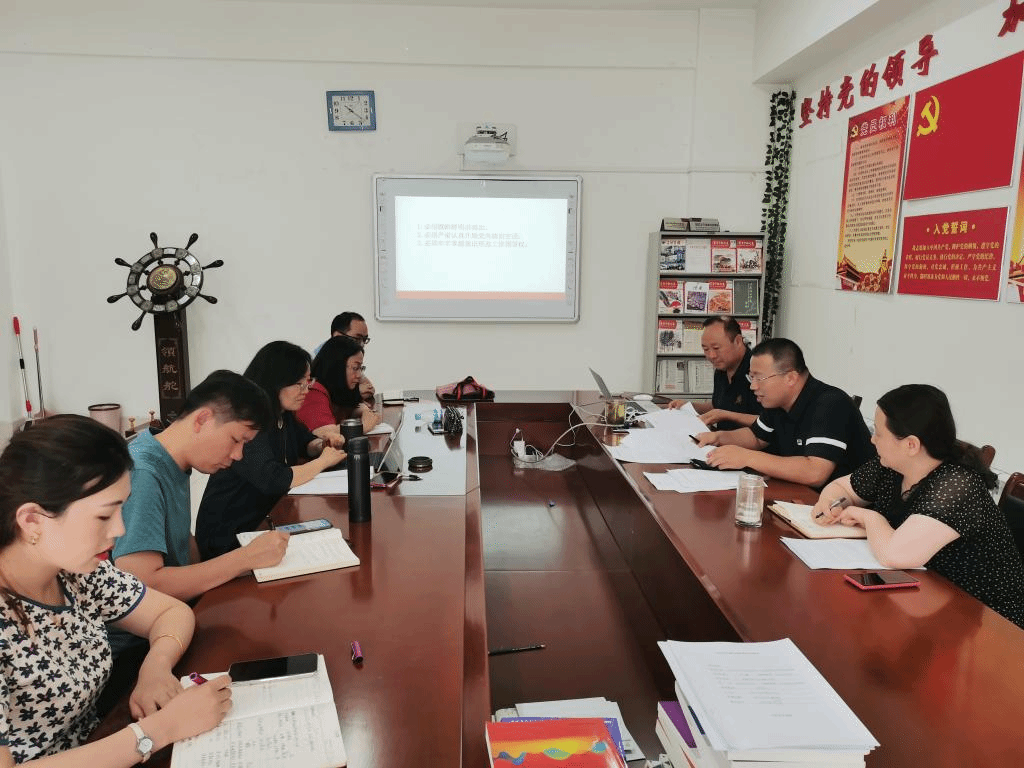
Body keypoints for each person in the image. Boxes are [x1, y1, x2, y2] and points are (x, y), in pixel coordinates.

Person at [0, 415, 232, 765]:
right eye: (103, 516)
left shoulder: (75, 571)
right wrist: (159, 730)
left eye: (121, 509)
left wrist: (156, 665)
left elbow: (171, 612)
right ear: (32, 520)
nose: (119, 530)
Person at [813, 384, 1024, 628]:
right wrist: (830, 502)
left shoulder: (957, 485)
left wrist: (869, 517)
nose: (872, 439)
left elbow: (894, 555)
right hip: (925, 597)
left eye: (879, 434)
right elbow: (842, 488)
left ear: (911, 445)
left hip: (988, 621)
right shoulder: (892, 465)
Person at [112, 370, 290, 610]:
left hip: (180, 610)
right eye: (236, 440)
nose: (238, 455)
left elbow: (183, 543)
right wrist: (245, 558)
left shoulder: (171, 459)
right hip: (153, 628)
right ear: (202, 419)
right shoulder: (143, 473)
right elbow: (142, 587)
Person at [195, 342, 346, 559]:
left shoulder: (283, 414)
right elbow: (273, 479)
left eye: (308, 381)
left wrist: (323, 444)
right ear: (276, 381)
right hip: (230, 535)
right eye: (299, 384)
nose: (306, 390)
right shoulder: (249, 422)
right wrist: (323, 462)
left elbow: (305, 441)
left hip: (266, 520)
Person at [695, 337, 874, 488]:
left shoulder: (831, 404)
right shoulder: (777, 402)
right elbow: (756, 437)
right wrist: (718, 437)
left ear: (790, 378)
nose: (753, 386)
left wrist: (746, 457)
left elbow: (815, 472)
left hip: (846, 507)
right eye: (751, 377)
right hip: (801, 495)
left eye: (760, 378)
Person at [667, 316, 760, 429]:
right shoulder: (721, 369)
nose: (711, 356)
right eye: (706, 349)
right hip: (720, 437)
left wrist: (726, 416)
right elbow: (720, 405)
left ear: (738, 341)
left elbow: (769, 422)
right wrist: (689, 406)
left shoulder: (758, 371)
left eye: (716, 348)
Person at [297, 335, 382, 438]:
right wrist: (363, 426)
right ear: (337, 367)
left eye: (361, 368)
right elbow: (323, 433)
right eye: (355, 368)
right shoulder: (313, 391)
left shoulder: (336, 389)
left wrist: (359, 411)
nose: (359, 375)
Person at [314, 311, 375, 399]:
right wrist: (357, 394)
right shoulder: (317, 360)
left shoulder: (350, 358)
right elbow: (330, 398)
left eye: (364, 339)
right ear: (337, 336)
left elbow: (369, 388)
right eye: (357, 338)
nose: (362, 344)